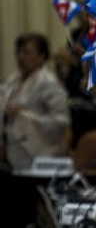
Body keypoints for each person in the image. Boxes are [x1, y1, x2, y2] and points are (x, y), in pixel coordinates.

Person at [0, 33, 70, 171]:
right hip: (13, 152)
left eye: (26, 52)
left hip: (40, 154)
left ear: (42, 56)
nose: (20, 57)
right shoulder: (12, 81)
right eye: (18, 52)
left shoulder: (49, 83)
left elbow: (62, 122)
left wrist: (25, 115)